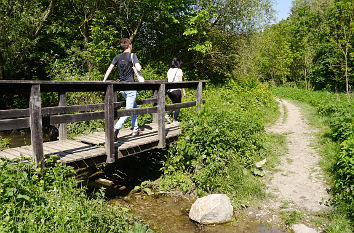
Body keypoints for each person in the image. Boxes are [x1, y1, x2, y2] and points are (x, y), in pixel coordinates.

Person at [103, 38, 142, 140]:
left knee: (134, 107)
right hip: (130, 87)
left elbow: (109, 69)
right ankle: (115, 129)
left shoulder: (117, 57)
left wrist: (103, 81)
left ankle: (135, 129)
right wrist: (137, 66)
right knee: (128, 110)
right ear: (129, 46)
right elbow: (139, 68)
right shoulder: (132, 56)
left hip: (121, 88)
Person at [166, 57, 186, 125]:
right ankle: (175, 120)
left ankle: (167, 115)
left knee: (174, 104)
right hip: (176, 90)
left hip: (169, 91)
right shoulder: (179, 70)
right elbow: (181, 82)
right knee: (178, 105)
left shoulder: (169, 70)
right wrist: (184, 91)